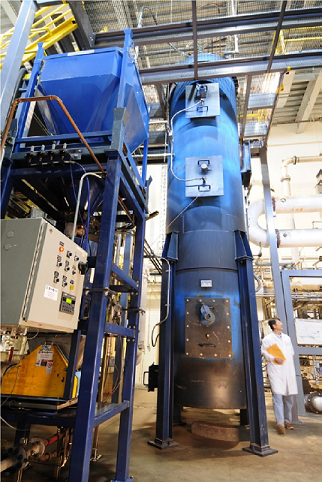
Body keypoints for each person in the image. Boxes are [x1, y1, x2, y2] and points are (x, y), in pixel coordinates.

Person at [261, 317, 298, 435]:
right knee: (278, 397)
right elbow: (263, 351)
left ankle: (288, 421)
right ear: (273, 326)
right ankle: (280, 422)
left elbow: (291, 352)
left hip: (288, 370)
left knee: (289, 398)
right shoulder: (267, 339)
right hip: (276, 369)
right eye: (279, 323)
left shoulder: (287, 338)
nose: (281, 324)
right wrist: (273, 358)